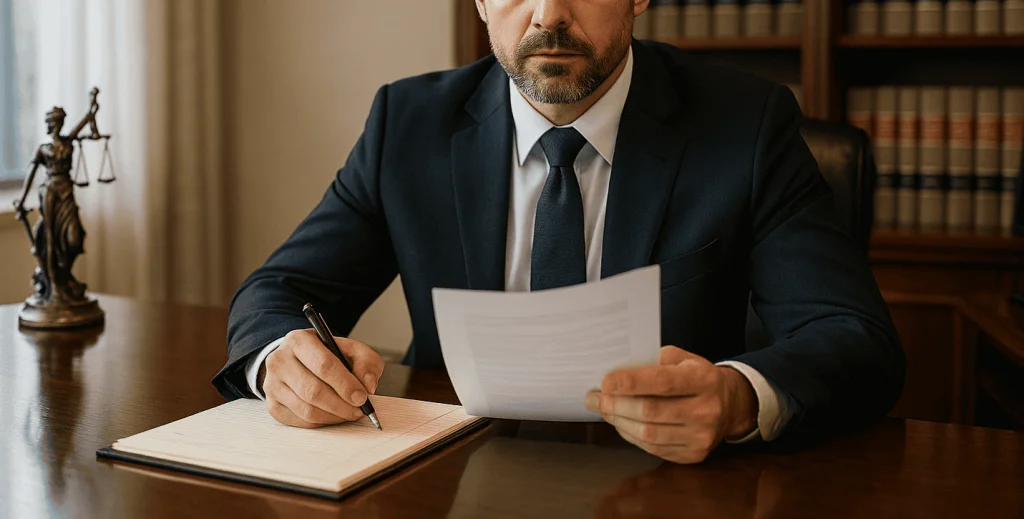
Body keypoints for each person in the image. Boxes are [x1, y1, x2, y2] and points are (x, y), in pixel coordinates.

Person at [213, 0, 905, 464]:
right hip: (456, 474)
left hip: (669, 485)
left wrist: (738, 397)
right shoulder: (409, 124)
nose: (549, 15)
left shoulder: (746, 126)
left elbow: (854, 337)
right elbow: (279, 290)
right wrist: (280, 357)